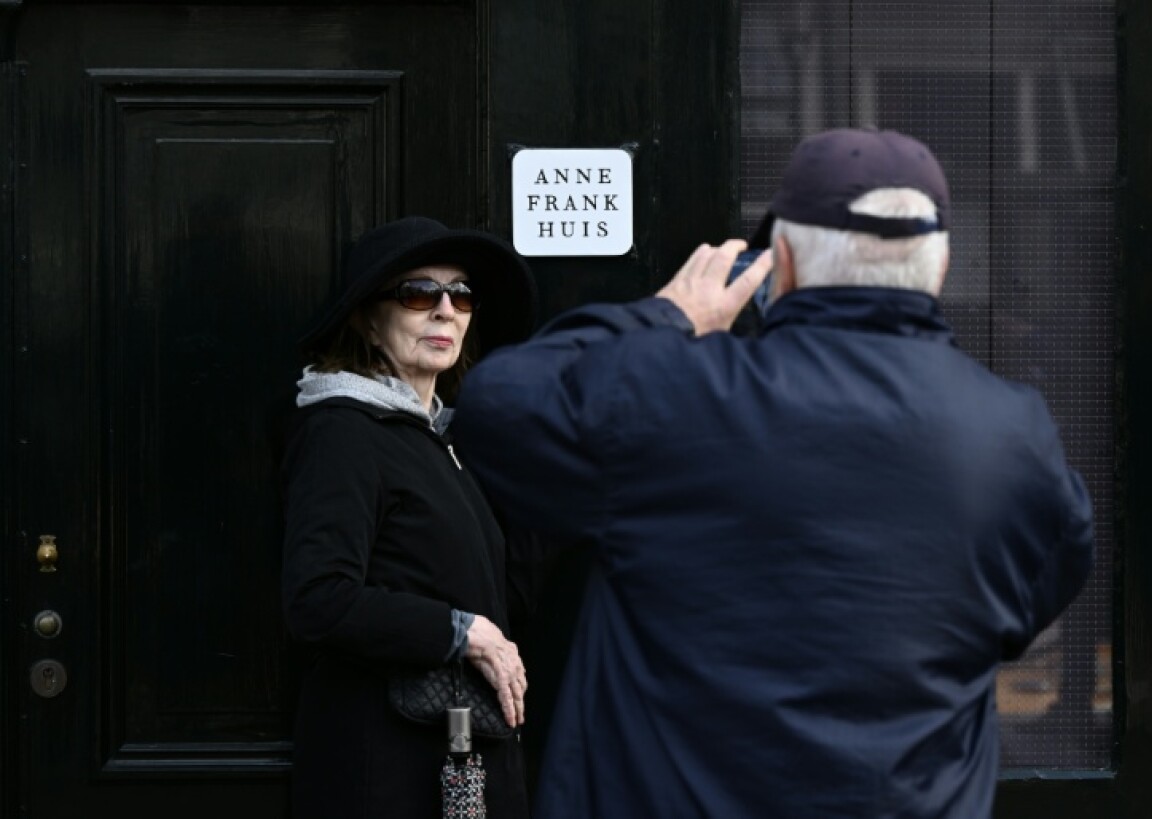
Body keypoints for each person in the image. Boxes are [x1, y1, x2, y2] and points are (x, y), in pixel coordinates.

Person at [450, 129, 1095, 817]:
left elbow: (496, 407)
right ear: (938, 267)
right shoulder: (1012, 434)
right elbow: (1031, 599)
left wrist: (669, 315)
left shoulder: (680, 400)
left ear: (780, 260)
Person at [281, 216, 537, 819]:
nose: (445, 310)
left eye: (462, 295)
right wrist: (461, 631)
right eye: (419, 293)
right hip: (387, 766)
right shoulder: (342, 431)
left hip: (455, 755)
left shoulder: (437, 441)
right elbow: (317, 598)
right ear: (368, 322)